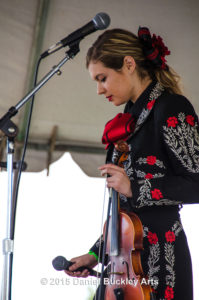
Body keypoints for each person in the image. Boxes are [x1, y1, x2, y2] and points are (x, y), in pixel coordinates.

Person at [65, 27, 199, 300]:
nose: (99, 89)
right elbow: (127, 213)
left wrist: (134, 187)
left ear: (128, 64)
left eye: (102, 78)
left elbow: (196, 183)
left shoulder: (171, 107)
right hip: (124, 270)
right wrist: (94, 254)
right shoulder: (127, 122)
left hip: (163, 266)